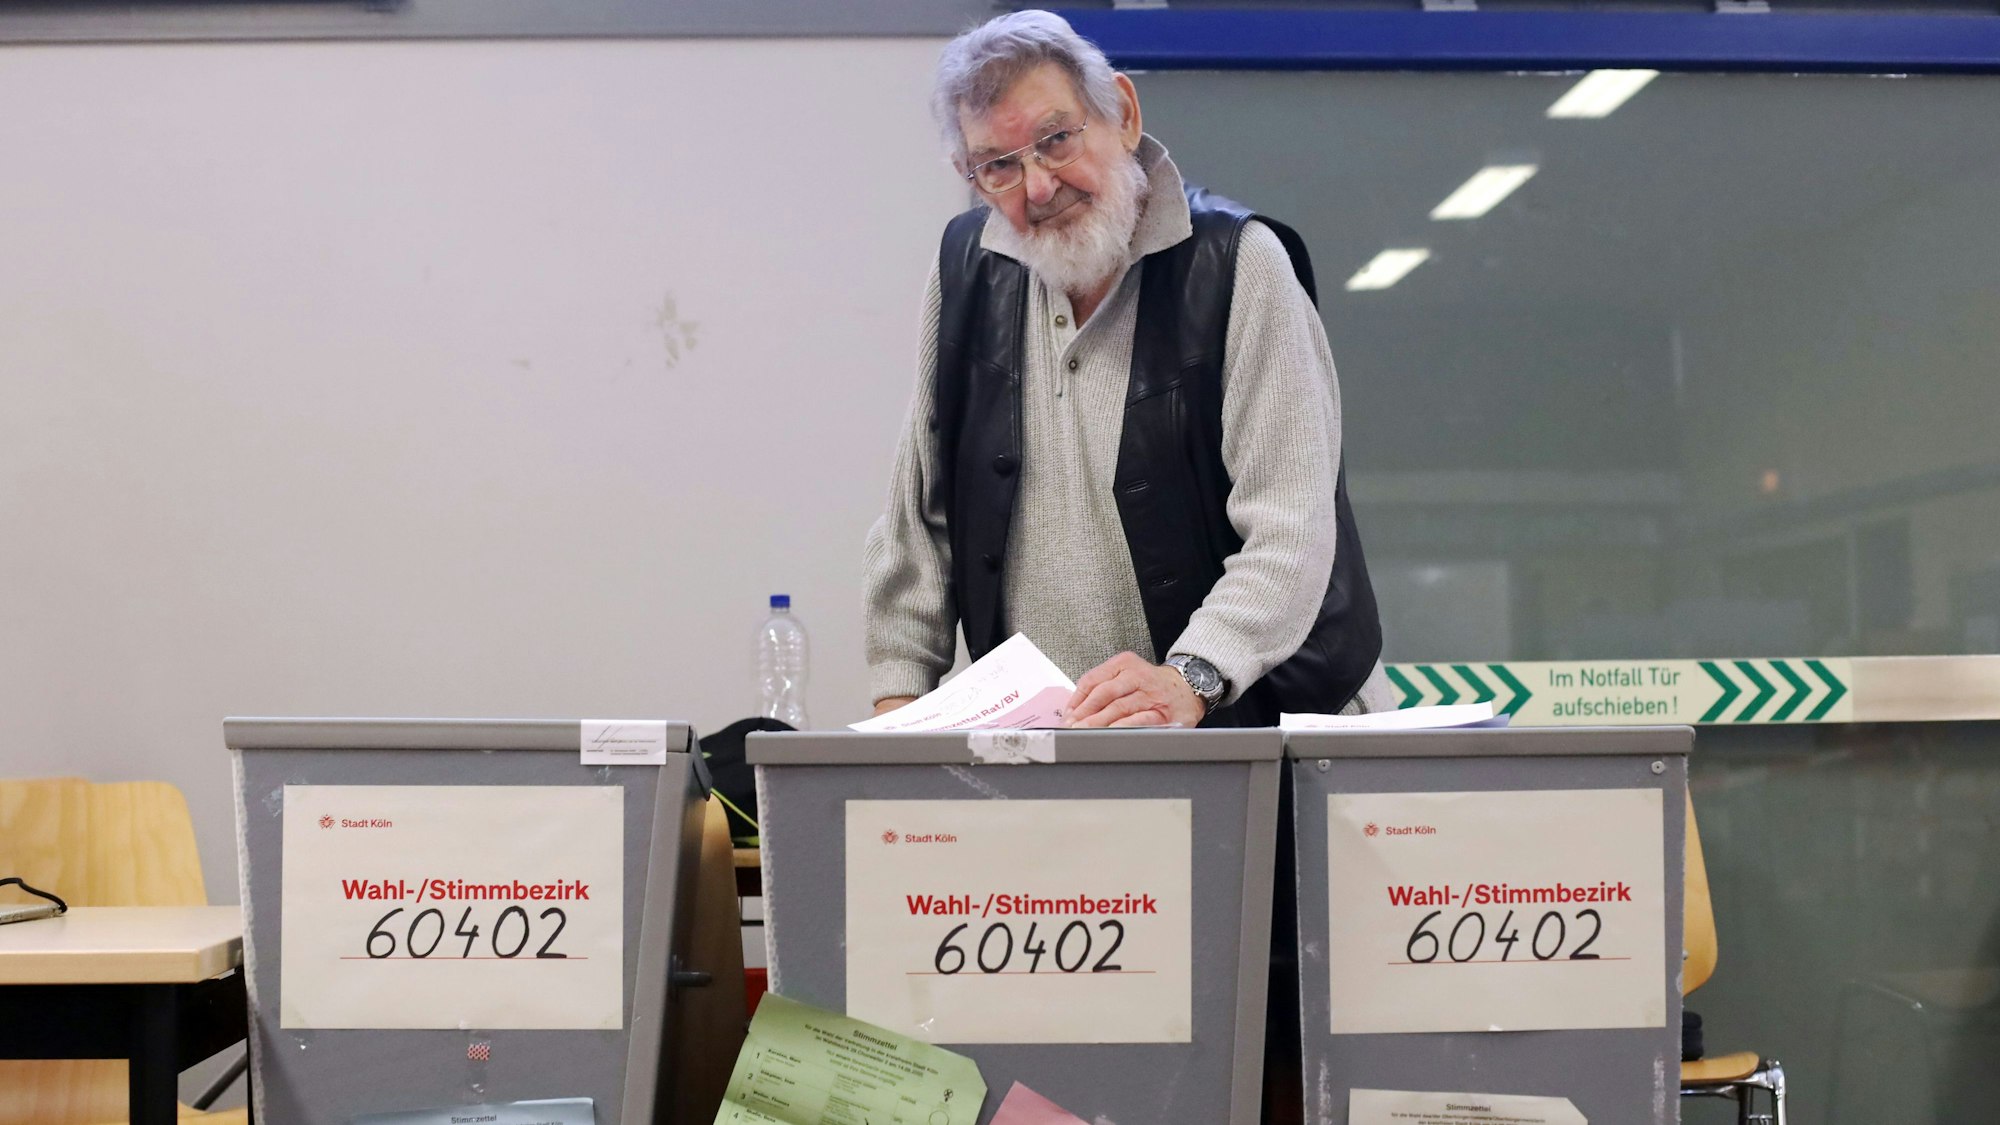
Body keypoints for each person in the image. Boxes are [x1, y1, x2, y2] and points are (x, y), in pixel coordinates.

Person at [863, 10, 1390, 728]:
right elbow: (917, 523)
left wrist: (1192, 677)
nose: (1038, 187)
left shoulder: (1240, 266)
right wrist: (899, 715)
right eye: (999, 165)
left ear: (1125, 114)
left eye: (1055, 140)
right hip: (1056, 756)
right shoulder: (967, 268)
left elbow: (1291, 531)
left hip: (1263, 732)